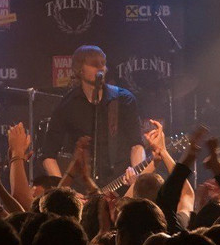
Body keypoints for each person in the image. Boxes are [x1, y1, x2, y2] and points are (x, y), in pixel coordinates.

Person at [41, 45, 145, 185]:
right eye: (95, 64)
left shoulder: (123, 99)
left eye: (103, 63)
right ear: (80, 70)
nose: (101, 68)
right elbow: (48, 155)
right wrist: (62, 190)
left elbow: (137, 145)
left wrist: (136, 176)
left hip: (120, 184)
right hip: (82, 188)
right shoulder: (67, 105)